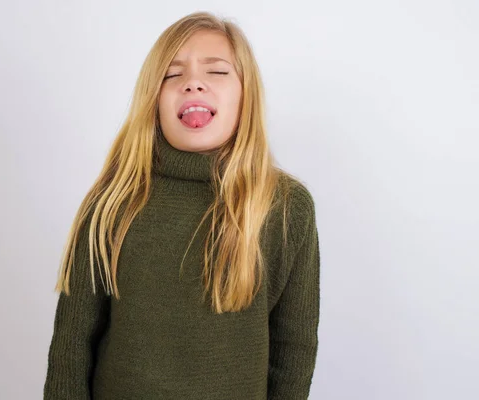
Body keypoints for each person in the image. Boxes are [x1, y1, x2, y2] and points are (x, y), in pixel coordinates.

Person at [43, 11, 320, 400]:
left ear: (247, 94)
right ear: (152, 100)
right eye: (173, 75)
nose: (193, 84)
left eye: (217, 72)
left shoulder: (286, 207)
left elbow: (293, 352)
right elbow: (71, 348)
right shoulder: (113, 200)